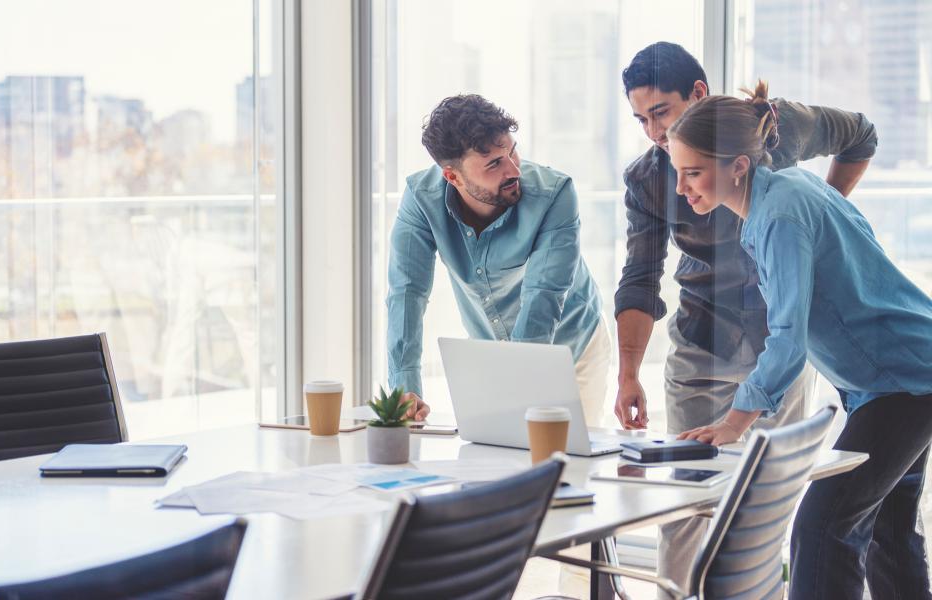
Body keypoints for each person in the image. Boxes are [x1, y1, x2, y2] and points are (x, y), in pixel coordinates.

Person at [612, 41, 878, 593]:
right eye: (640, 119)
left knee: (767, 509)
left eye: (660, 112)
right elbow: (640, 278)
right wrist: (628, 373)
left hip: (778, 348)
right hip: (700, 345)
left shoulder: (775, 128)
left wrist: (827, 208)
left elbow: (861, 134)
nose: (653, 132)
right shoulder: (647, 179)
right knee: (686, 510)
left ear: (699, 94)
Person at [668, 81, 932, 599]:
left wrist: (734, 421)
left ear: (738, 165)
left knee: (823, 526)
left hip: (904, 383)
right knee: (888, 531)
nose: (682, 187)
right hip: (900, 375)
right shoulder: (791, 188)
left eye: (693, 172)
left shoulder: (779, 216)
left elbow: (787, 336)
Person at [387, 94, 610, 426]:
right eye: (494, 163)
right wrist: (405, 390)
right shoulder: (422, 199)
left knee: (564, 461)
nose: (514, 169)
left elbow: (543, 297)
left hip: (571, 347)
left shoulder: (555, 194)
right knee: (495, 463)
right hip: (494, 353)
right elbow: (407, 293)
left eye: (512, 151)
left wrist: (515, 390)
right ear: (453, 177)